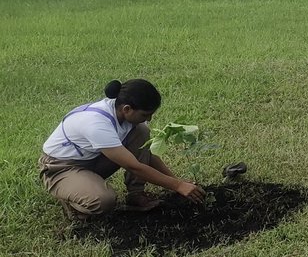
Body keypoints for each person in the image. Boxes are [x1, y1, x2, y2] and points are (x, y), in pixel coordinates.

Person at [39, 79, 207, 220]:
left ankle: (136, 195)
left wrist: (177, 182)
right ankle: (74, 205)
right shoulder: (96, 124)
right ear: (127, 109)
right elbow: (134, 166)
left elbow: (147, 154)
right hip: (61, 168)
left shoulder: (125, 116)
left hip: (93, 160)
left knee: (141, 131)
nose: (149, 118)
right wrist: (177, 186)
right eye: (145, 114)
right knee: (103, 201)